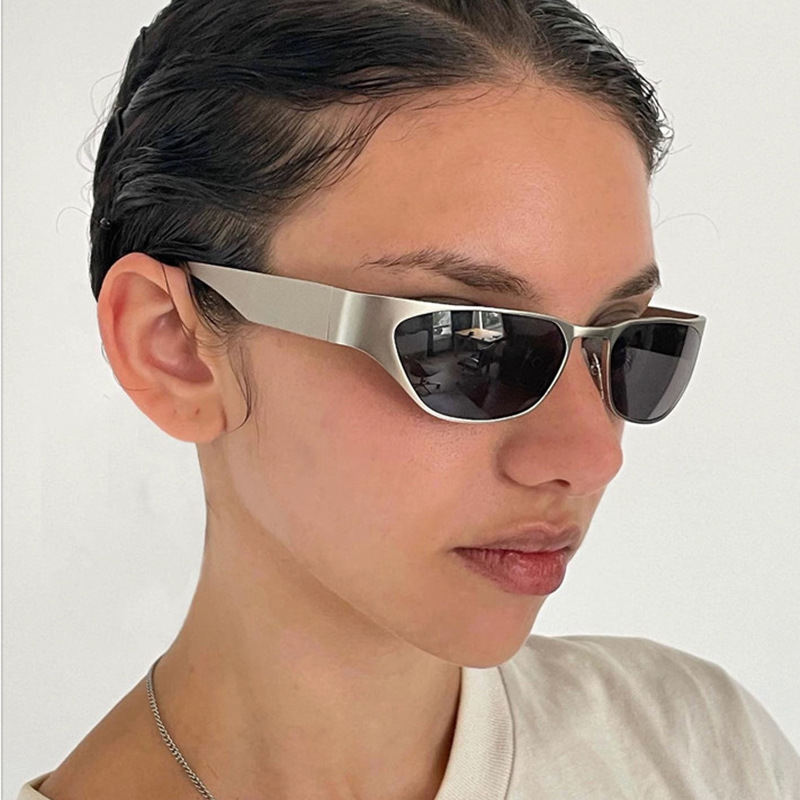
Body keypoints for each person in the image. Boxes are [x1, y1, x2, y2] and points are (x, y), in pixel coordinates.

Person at [18, 1, 800, 798]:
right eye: (470, 343)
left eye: (628, 340)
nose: (592, 457)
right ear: (174, 350)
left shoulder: (702, 753)